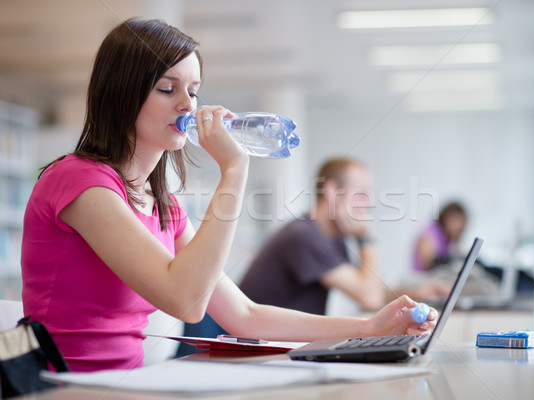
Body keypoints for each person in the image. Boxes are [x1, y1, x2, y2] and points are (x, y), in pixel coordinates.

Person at [20, 19, 437, 373]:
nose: (188, 105)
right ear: (122, 95)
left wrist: (369, 328)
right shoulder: (78, 181)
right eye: (168, 89)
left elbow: (244, 314)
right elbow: (186, 302)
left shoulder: (164, 206)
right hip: (63, 386)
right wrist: (235, 170)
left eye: (194, 90)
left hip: (129, 384)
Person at [239, 158, 451, 315]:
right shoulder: (304, 237)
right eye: (362, 194)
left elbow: (366, 288)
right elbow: (370, 299)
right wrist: (365, 237)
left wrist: (416, 293)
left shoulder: (331, 236)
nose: (370, 204)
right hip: (260, 351)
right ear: (332, 192)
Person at [413, 201, 467, 272]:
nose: (458, 226)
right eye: (455, 221)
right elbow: (429, 260)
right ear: (445, 218)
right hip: (423, 278)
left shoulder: (449, 239)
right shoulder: (431, 233)